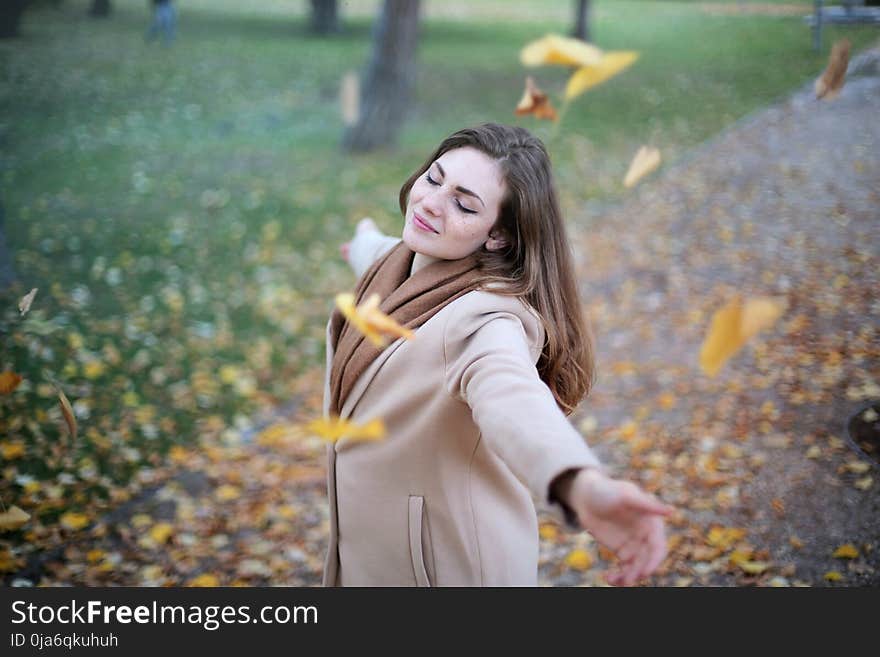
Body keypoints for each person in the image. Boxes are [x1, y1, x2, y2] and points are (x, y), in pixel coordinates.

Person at [324, 123, 673, 587]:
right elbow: (379, 253)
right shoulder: (396, 262)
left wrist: (580, 484)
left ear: (499, 237)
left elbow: (512, 396)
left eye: (464, 204)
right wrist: (362, 240)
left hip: (449, 570)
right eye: (434, 178)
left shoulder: (486, 321)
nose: (430, 202)